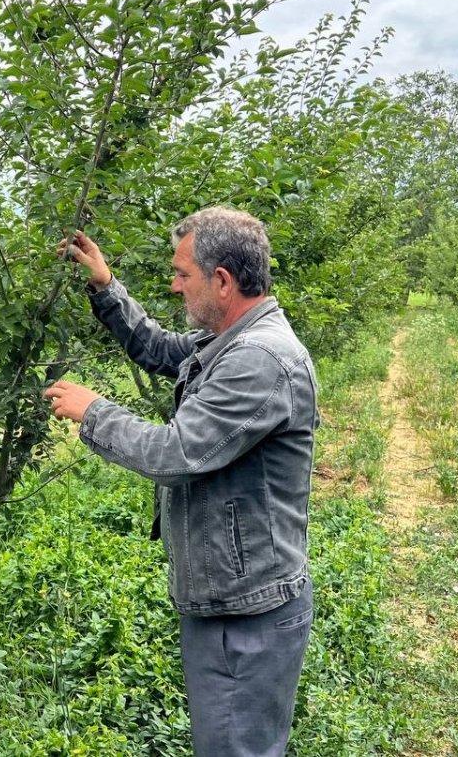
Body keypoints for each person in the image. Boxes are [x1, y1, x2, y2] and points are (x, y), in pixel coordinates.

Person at [43, 207, 318, 757]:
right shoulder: (230, 339)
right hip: (229, 597)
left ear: (223, 281)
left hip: (248, 612)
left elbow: (175, 453)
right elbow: (160, 348)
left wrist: (94, 412)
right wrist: (105, 285)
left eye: (182, 274)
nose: (174, 285)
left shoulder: (260, 359)